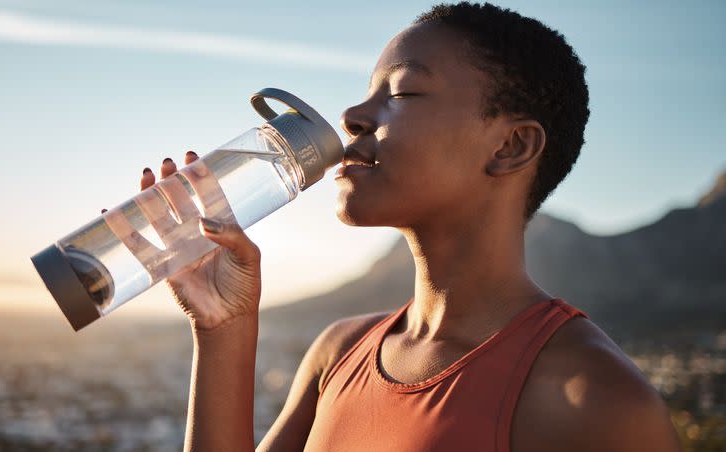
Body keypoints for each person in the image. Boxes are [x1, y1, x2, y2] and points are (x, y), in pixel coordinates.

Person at [138, 2, 682, 451]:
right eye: (368, 92)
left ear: (511, 146)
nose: (352, 115)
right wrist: (222, 329)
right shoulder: (338, 354)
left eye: (401, 93)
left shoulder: (595, 401)